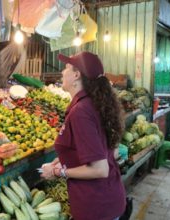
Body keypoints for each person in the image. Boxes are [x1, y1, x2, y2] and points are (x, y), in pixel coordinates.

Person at [40, 52, 126, 220]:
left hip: (96, 207)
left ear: (76, 75)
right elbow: (110, 151)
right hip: (109, 199)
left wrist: (59, 172)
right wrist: (63, 159)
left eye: (66, 68)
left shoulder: (81, 112)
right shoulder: (96, 104)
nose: (62, 72)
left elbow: (100, 169)